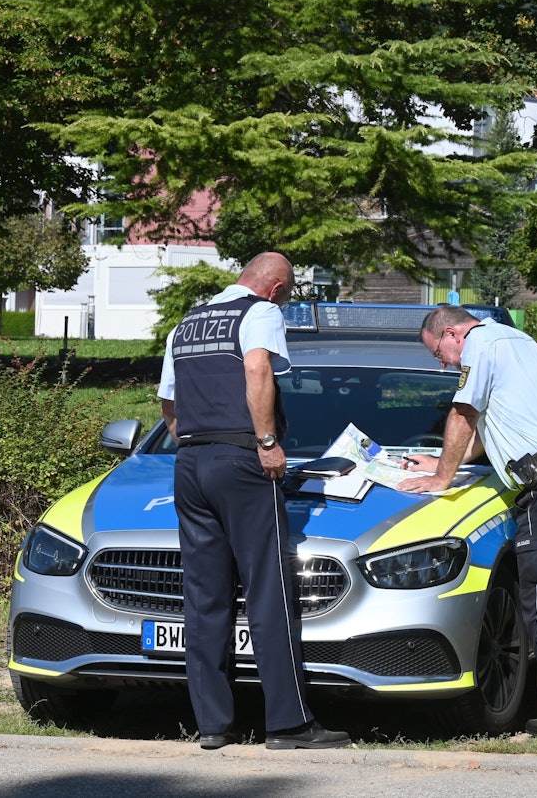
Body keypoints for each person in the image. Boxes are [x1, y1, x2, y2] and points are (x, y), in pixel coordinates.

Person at [157, 251, 351, 751]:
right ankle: (289, 724)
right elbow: (258, 369)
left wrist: (194, 444)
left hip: (190, 463)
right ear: (275, 288)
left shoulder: (187, 323)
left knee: (204, 597)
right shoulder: (259, 312)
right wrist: (266, 443)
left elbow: (168, 401)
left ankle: (213, 725)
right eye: (286, 295)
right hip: (241, 460)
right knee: (268, 590)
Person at [397, 305, 537, 735]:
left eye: (438, 353)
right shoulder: (518, 341)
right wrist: (442, 461)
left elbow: (464, 413)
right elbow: (491, 424)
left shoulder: (480, 344)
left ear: (452, 333)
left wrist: (441, 479)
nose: (442, 364)